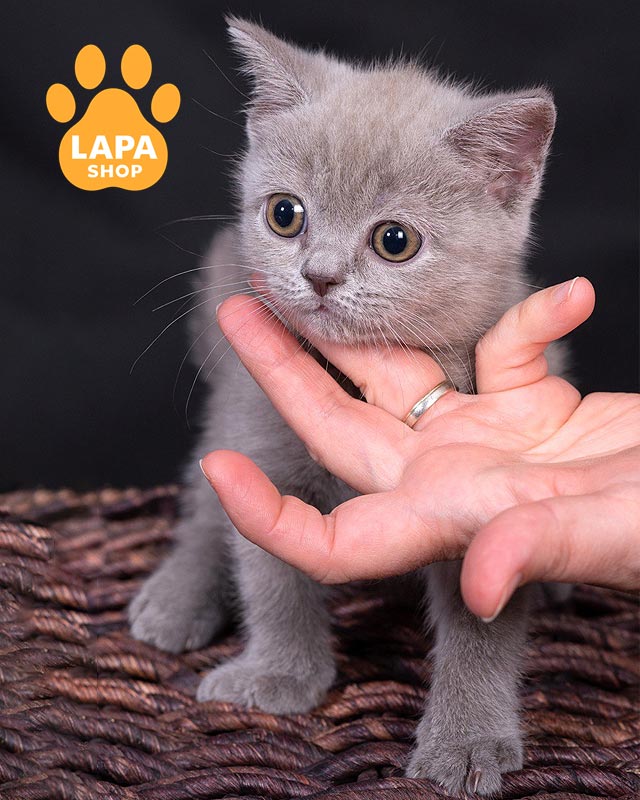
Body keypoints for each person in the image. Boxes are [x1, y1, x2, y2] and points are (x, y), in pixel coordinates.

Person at [200, 278, 640, 621]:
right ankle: (199, 554)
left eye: (395, 241)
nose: (320, 268)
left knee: (479, 537)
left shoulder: (509, 382)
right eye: (287, 217)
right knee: (248, 476)